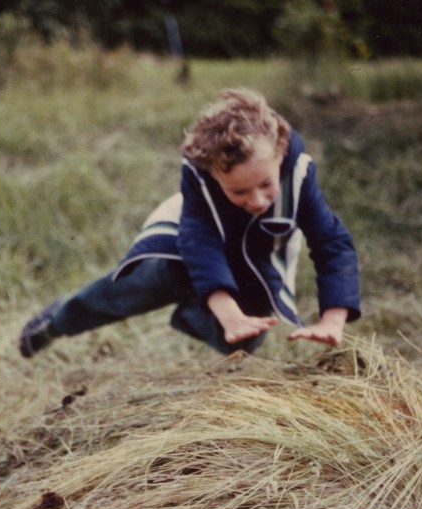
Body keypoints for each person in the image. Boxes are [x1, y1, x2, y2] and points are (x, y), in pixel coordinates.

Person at [19, 88, 360, 357]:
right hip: (190, 246)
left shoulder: (299, 174)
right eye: (239, 190)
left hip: (261, 252)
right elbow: (200, 241)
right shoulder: (198, 176)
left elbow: (333, 244)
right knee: (134, 288)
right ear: (213, 173)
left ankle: (196, 312)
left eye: (266, 186)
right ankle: (56, 321)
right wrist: (225, 307)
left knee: (245, 339)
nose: (256, 200)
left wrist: (333, 318)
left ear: (281, 154)